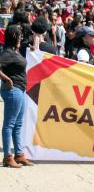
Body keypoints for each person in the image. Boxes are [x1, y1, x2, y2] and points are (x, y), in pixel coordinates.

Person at [0, 25, 34, 168]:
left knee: (18, 124)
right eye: (19, 36)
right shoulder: (7, 52)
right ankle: (8, 156)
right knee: (10, 124)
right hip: (13, 90)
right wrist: (6, 79)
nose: (21, 38)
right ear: (14, 37)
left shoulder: (15, 51)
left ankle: (19, 154)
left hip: (20, 90)